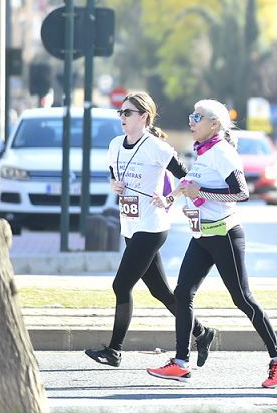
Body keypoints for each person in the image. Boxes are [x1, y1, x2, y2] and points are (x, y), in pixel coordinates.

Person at [146, 99, 277, 388]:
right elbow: (188, 183)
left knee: (242, 299)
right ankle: (180, 363)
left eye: (197, 117)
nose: (191, 121)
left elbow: (241, 193)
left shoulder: (223, 153)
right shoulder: (204, 151)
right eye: (191, 115)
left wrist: (202, 191)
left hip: (225, 235)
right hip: (202, 235)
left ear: (214, 124)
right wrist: (170, 199)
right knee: (182, 293)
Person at [85, 92, 215, 368]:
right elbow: (113, 172)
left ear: (143, 117)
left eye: (128, 113)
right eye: (120, 112)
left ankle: (114, 351)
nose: (122, 117)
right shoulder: (115, 144)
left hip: (152, 227)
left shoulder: (156, 147)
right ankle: (202, 333)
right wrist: (113, 184)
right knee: (161, 292)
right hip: (130, 225)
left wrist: (169, 198)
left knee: (121, 285)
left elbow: (186, 178)